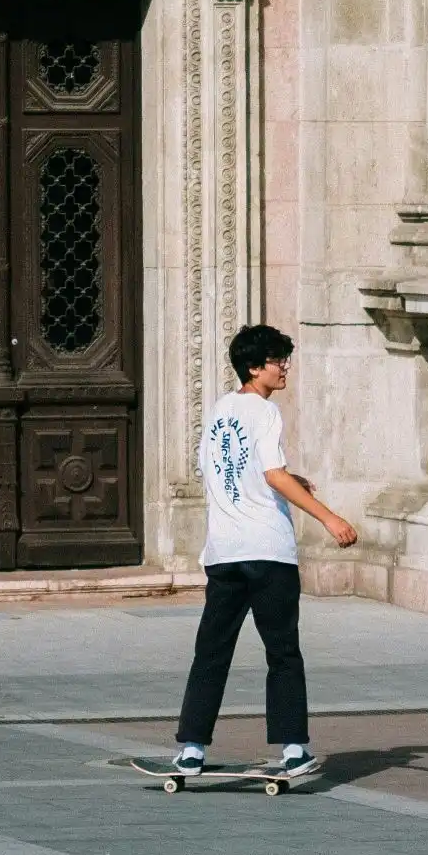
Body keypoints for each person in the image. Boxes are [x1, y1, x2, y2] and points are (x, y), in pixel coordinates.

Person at [173, 323, 358, 777]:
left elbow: (221, 470)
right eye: (278, 361)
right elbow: (272, 474)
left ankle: (192, 750)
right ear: (254, 367)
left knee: (211, 652)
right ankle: (293, 749)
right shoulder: (266, 412)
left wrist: (292, 481)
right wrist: (329, 518)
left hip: (224, 552)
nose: (284, 368)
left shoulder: (219, 409)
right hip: (268, 551)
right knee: (282, 652)